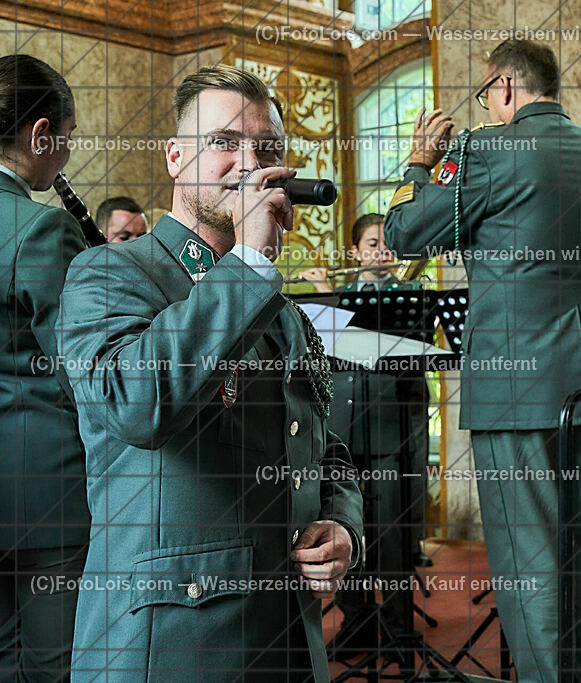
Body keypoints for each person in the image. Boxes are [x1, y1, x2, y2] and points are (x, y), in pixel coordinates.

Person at [57, 64, 362, 681]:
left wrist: (343, 524)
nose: (250, 164)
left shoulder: (282, 308)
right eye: (224, 143)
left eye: (267, 149)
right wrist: (249, 262)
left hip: (287, 641)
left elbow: (321, 445)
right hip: (171, 644)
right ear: (175, 158)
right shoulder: (110, 275)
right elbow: (135, 406)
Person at [383, 38, 581, 682]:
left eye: (487, 96)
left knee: (533, 561)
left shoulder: (484, 150)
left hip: (516, 384)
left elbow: (406, 234)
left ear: (503, 88)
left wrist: (420, 161)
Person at [298, 213, 431, 649]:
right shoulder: (335, 299)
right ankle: (357, 620)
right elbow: (322, 352)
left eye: (388, 244)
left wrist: (327, 295)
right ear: (354, 253)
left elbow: (389, 353)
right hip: (345, 434)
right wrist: (325, 297)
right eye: (372, 244)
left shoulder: (411, 296)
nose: (382, 251)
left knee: (392, 534)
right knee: (348, 526)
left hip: (391, 431)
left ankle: (398, 623)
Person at [0, 53, 90, 682]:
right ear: (40, 135)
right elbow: (80, 370)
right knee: (54, 666)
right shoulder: (41, 229)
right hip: (44, 491)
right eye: (68, 136)